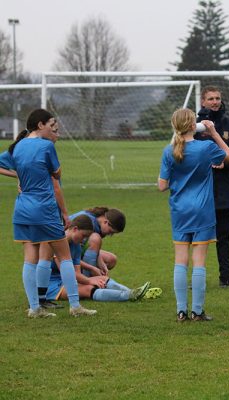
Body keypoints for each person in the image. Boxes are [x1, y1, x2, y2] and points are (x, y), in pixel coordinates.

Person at [10, 108, 96, 317]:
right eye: (51, 124)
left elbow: (17, 170)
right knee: (64, 255)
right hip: (44, 209)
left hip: (22, 208)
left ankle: (34, 308)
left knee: (30, 258)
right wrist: (65, 213)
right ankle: (76, 307)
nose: (55, 127)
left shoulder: (18, 146)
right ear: (40, 125)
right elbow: (56, 174)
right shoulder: (47, 146)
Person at [159, 108, 229, 322]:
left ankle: (181, 310)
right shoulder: (206, 147)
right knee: (199, 261)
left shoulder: (168, 151)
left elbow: (162, 185)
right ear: (194, 125)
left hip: (180, 210)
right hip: (202, 210)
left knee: (180, 261)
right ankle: (197, 311)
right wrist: (214, 133)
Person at [194, 86, 229, 288]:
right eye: (210, 99)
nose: (215, 102)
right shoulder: (195, 126)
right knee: (199, 235)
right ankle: (198, 277)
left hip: (224, 188)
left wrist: (226, 163)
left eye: (217, 98)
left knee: (223, 235)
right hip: (199, 189)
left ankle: (225, 276)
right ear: (203, 102)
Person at [44, 214, 158, 303]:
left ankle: (132, 292)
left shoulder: (76, 246)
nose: (84, 240)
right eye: (83, 236)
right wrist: (88, 280)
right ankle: (129, 295)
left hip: (66, 280)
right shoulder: (59, 242)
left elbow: (76, 272)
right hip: (51, 285)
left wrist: (92, 278)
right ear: (74, 229)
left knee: (102, 279)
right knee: (87, 289)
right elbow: (67, 273)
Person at [69, 207, 127, 277]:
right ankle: (87, 280)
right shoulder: (87, 222)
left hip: (76, 252)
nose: (110, 235)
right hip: (63, 251)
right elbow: (69, 254)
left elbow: (93, 250)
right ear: (106, 222)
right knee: (96, 239)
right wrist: (92, 269)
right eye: (111, 232)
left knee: (111, 260)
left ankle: (92, 276)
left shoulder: (97, 224)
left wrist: (102, 265)